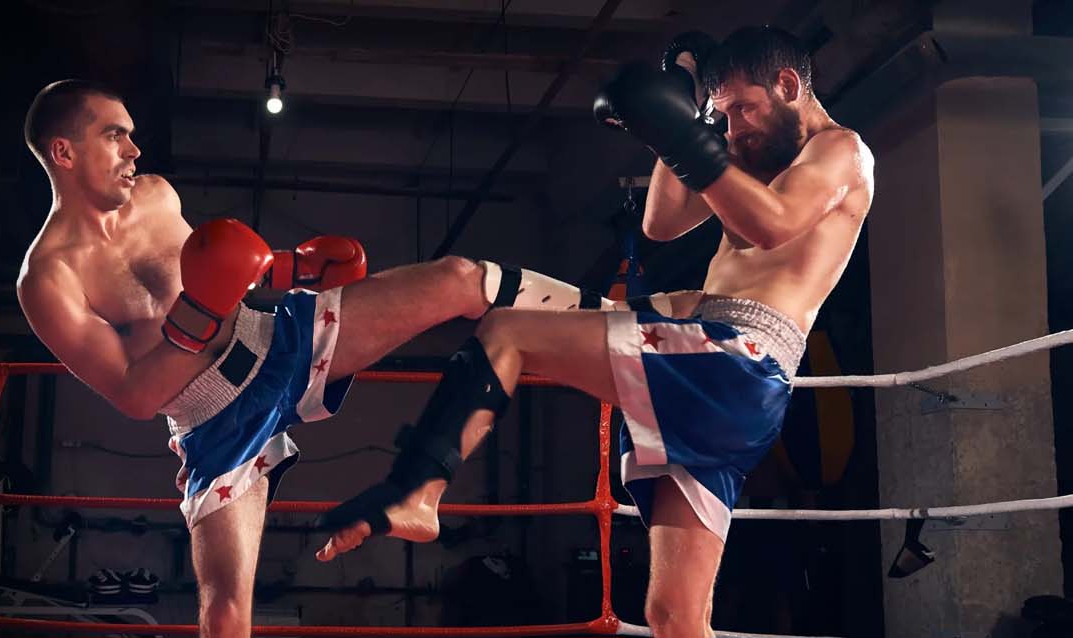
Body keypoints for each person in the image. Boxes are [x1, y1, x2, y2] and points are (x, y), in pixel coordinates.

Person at [314, 27, 875, 638]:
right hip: (712, 380)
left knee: (507, 332)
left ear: (788, 85)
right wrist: (680, 118)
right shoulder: (745, 156)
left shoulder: (839, 150)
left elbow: (774, 225)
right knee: (674, 616)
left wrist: (685, 134)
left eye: (744, 108)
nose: (734, 127)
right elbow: (661, 223)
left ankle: (417, 492)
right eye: (724, 113)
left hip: (733, 358)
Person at [13, 79, 614, 637]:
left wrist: (291, 268)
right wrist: (203, 309)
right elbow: (135, 394)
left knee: (458, 278)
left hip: (276, 342)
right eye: (114, 135)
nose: (134, 150)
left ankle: (614, 316)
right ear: (64, 152)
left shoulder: (155, 196)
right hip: (215, 420)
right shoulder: (48, 278)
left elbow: (226, 274)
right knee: (225, 611)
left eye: (130, 134)